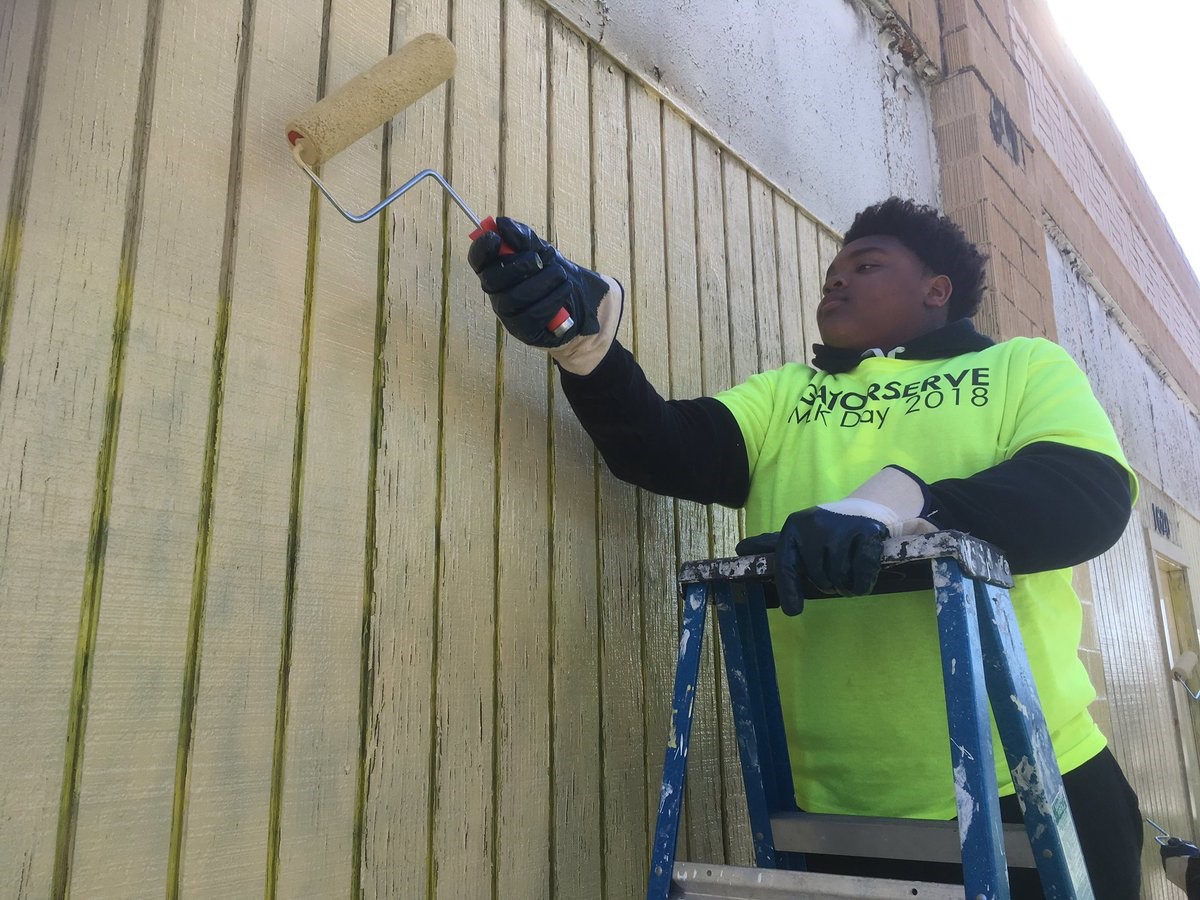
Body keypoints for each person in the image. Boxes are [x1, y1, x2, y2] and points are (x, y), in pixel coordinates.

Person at [468, 197, 1143, 898]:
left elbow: (1085, 494)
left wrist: (903, 504)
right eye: (832, 271)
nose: (837, 280)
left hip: (1035, 787)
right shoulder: (790, 393)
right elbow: (665, 448)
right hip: (836, 822)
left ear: (936, 291)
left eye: (867, 264)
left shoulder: (1020, 368)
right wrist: (588, 351)